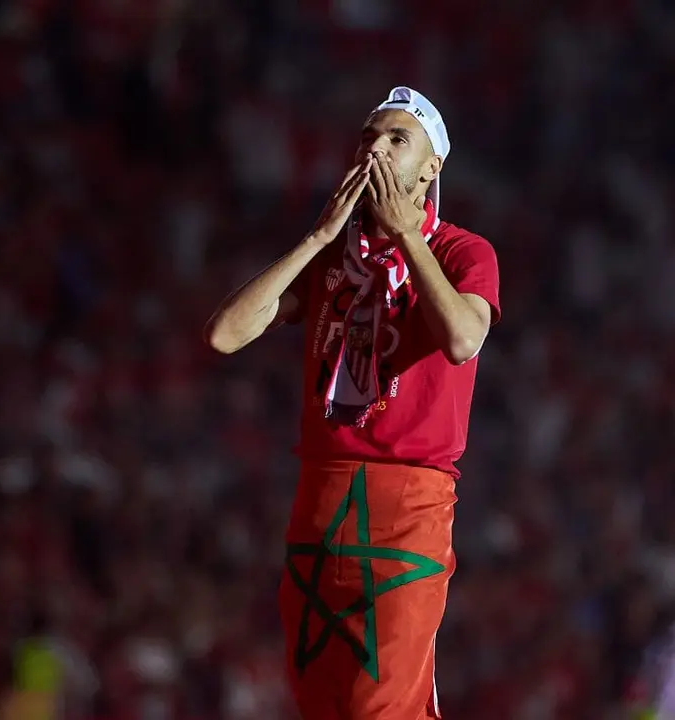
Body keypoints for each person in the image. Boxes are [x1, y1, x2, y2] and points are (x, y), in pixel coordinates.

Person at [206, 86, 501, 719]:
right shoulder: (333, 257)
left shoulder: (462, 251)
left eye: (397, 139)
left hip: (409, 499)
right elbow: (225, 334)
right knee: (321, 702)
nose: (375, 149)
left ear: (431, 167)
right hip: (321, 492)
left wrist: (408, 237)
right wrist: (316, 240)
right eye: (368, 137)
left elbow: (463, 338)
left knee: (383, 708)